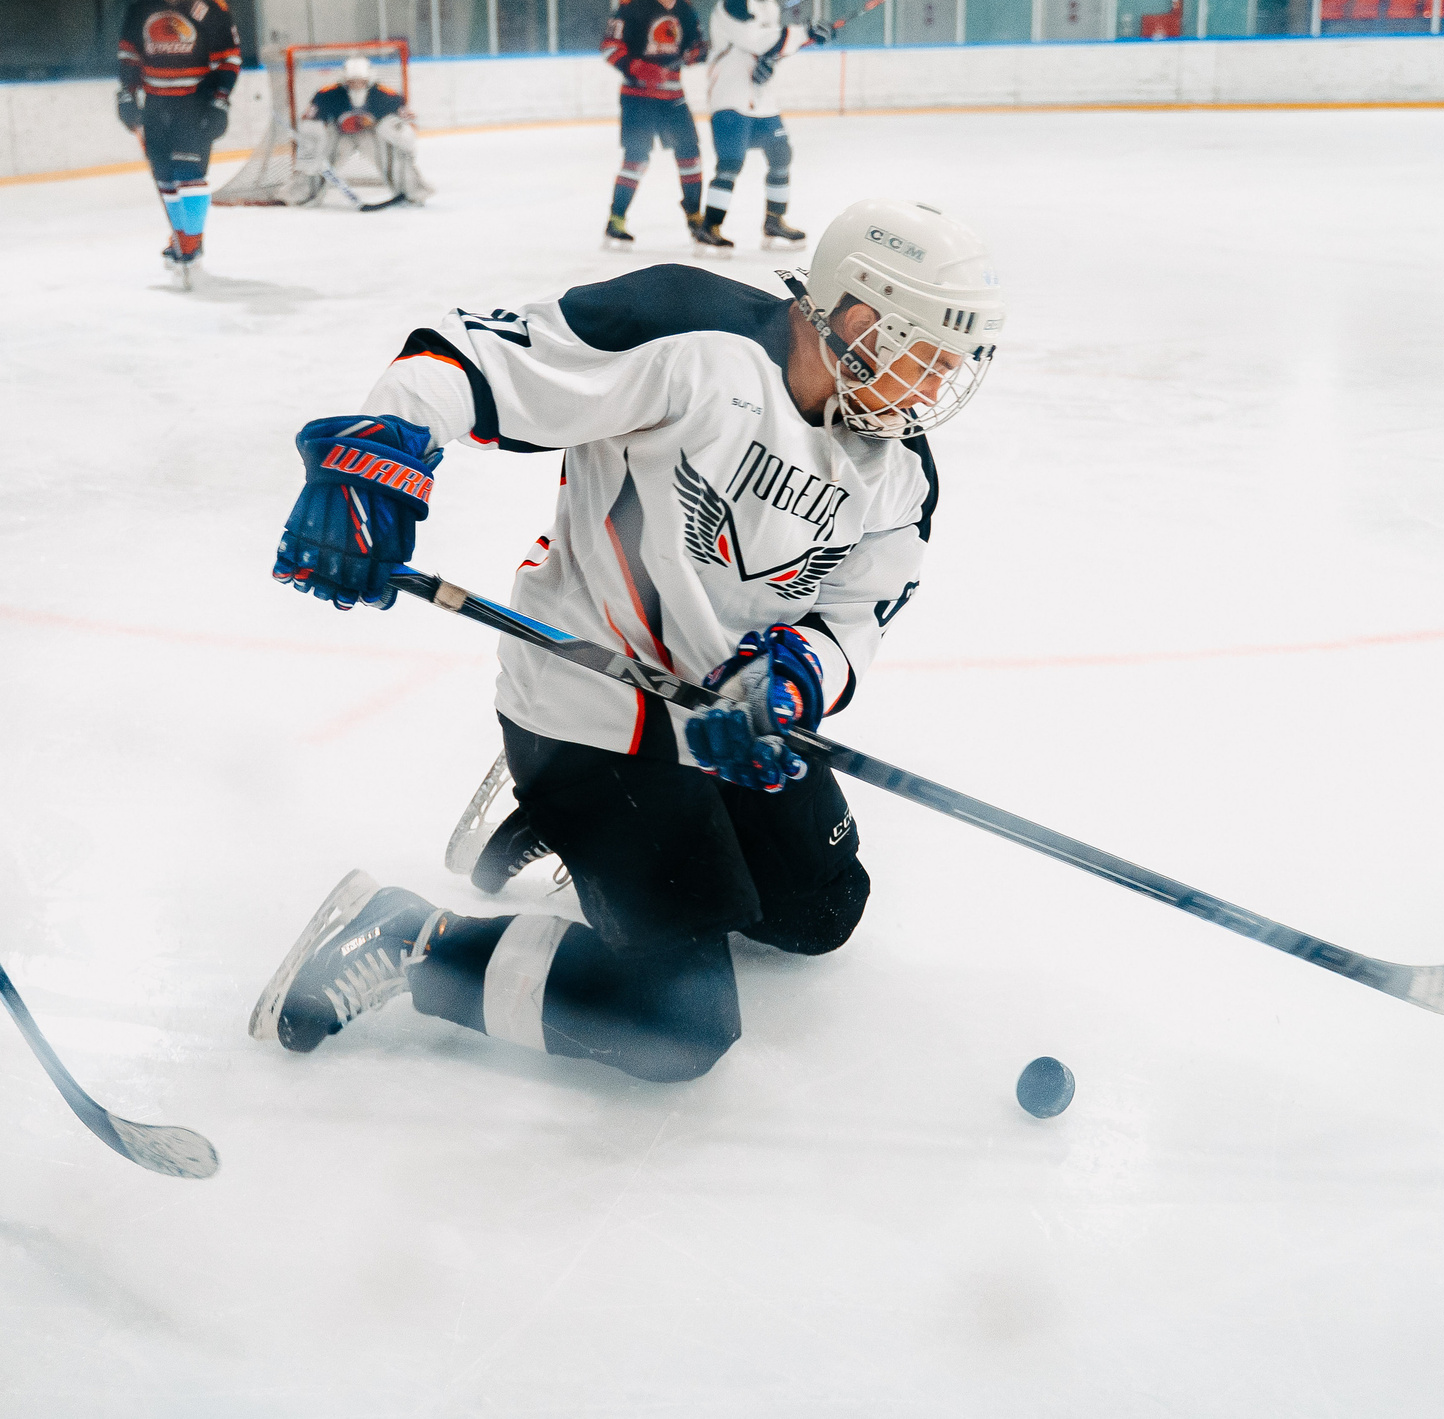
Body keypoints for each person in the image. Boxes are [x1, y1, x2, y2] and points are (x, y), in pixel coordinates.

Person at [250, 199, 1002, 1084]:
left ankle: (557, 832)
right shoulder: (691, 333)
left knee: (822, 912)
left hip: (723, 725)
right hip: (592, 713)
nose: (931, 391)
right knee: (679, 1024)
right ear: (859, 319)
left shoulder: (900, 471)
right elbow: (468, 355)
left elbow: (853, 620)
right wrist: (374, 460)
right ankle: (411, 938)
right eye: (927, 358)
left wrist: (788, 682)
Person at [116, 0, 242, 285]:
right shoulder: (142, 6)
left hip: (195, 103)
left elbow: (228, 59)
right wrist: (127, 96)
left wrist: (219, 100)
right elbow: (129, 55)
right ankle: (183, 237)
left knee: (189, 174)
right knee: (166, 178)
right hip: (156, 105)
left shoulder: (210, 7)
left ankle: (189, 242)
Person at [702, 0, 831, 250]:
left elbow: (769, 49)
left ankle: (774, 222)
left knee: (781, 155)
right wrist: (805, 33)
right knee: (731, 162)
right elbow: (755, 40)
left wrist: (770, 63)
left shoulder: (769, 5)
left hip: (761, 100)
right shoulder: (731, 3)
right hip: (731, 97)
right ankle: (711, 226)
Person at [601, 0, 724, 252]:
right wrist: (637, 67)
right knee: (636, 159)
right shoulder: (632, 5)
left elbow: (694, 48)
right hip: (638, 98)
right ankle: (616, 219)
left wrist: (696, 52)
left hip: (672, 99)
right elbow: (609, 47)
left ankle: (695, 217)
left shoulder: (685, 7)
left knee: (691, 157)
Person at [292, 53, 430, 206]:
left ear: (369, 78)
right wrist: (313, 144)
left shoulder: (386, 95)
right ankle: (302, 194)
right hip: (339, 135)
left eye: (361, 81)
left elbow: (404, 127)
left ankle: (412, 193)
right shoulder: (327, 94)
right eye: (352, 81)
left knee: (393, 158)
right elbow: (310, 122)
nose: (357, 85)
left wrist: (406, 146)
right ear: (344, 79)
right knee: (320, 161)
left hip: (371, 135)